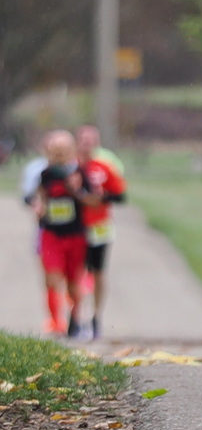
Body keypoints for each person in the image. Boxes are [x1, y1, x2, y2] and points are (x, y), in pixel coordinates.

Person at [22, 130, 98, 339]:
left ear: (72, 151)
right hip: (51, 234)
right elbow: (37, 196)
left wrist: (76, 190)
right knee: (52, 278)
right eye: (55, 150)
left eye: (63, 150)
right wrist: (38, 205)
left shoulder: (80, 173)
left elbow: (94, 201)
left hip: (75, 235)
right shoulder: (45, 174)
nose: (59, 155)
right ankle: (56, 323)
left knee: (74, 283)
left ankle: (75, 317)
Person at [74, 126, 128, 343]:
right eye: (83, 139)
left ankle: (96, 317)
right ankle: (75, 316)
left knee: (98, 272)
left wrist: (100, 198)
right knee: (75, 274)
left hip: (99, 227)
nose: (87, 143)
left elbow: (120, 195)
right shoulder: (70, 168)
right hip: (75, 228)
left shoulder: (104, 167)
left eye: (91, 140)